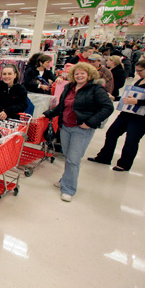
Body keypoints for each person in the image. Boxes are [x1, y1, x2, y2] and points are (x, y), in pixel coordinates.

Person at [42, 63, 114, 202]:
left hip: (81, 129)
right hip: (65, 127)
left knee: (73, 160)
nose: (79, 76)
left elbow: (107, 107)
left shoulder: (95, 89)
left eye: (82, 73)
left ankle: (68, 189)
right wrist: (48, 113)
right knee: (68, 156)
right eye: (77, 73)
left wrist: (91, 122)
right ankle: (65, 179)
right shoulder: (69, 87)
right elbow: (61, 106)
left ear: (89, 75)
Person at [89, 60, 145, 172]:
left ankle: (124, 164)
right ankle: (104, 157)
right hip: (127, 113)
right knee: (111, 133)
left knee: (131, 140)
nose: (137, 73)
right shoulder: (140, 80)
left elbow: (137, 99)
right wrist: (117, 98)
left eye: (140, 71)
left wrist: (137, 102)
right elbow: (131, 95)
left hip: (140, 118)